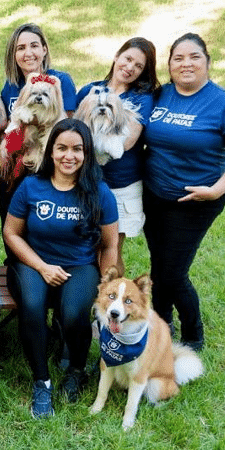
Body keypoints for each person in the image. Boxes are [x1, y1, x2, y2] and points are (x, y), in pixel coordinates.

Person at [143, 33, 225, 352]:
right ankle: (162, 323)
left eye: (194, 56)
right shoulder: (162, 95)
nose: (186, 63)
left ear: (207, 61)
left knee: (172, 272)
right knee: (160, 264)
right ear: (169, 66)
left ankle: (193, 335)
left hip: (196, 202)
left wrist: (218, 188)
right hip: (154, 196)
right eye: (178, 58)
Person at [3, 118, 118, 418]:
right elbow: (11, 233)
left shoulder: (100, 192)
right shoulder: (31, 186)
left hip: (79, 265)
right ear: (50, 151)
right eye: (62, 148)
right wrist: (42, 266)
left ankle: (76, 370)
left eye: (77, 149)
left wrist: (107, 285)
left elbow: (109, 245)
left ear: (87, 153)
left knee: (72, 314)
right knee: (32, 304)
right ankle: (42, 381)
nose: (69, 156)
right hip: (32, 261)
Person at [76, 37, 159, 275]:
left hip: (122, 184)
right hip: (87, 182)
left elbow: (127, 141)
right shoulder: (89, 90)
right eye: (128, 58)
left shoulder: (141, 98)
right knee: (84, 245)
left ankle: (109, 303)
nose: (130, 67)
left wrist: (90, 145)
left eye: (139, 66)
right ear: (117, 56)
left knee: (111, 248)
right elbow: (71, 131)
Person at [0, 23, 78, 242]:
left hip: (45, 165)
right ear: (14, 55)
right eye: (21, 48)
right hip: (14, 165)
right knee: (11, 221)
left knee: (40, 223)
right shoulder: (11, 86)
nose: (28, 53)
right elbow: (5, 127)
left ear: (44, 49)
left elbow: (68, 127)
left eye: (34, 46)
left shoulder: (60, 80)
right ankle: (13, 264)